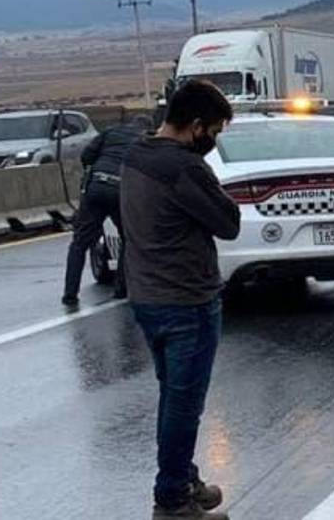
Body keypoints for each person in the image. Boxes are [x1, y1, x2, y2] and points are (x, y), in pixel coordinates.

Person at [121, 80, 240, 519]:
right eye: (214, 131)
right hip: (187, 300)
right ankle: (172, 499)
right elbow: (228, 222)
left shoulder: (137, 154)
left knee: (172, 397)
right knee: (184, 405)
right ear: (196, 125)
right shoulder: (184, 168)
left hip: (147, 296)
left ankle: (183, 478)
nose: (213, 140)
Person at [61, 114, 154, 306]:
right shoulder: (147, 141)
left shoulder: (111, 132)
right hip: (122, 191)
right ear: (148, 128)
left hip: (96, 186)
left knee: (79, 243)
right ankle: (121, 289)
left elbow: (86, 156)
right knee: (127, 238)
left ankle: (70, 294)